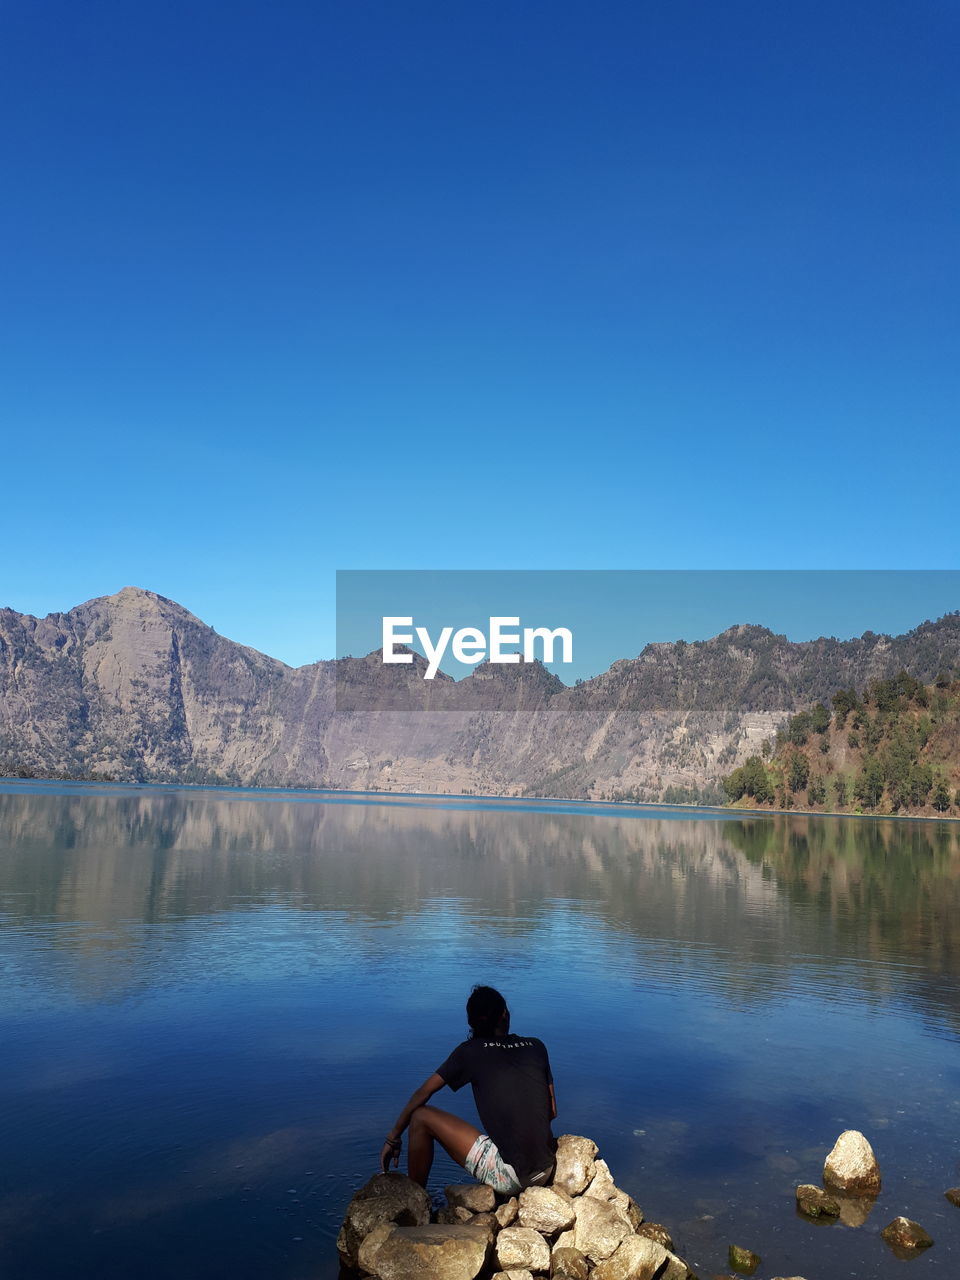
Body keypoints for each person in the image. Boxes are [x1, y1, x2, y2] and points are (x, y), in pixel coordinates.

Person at [380, 985, 557, 1195]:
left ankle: (415, 1201)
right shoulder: (536, 1046)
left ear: (472, 1022)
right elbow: (551, 1112)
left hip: (513, 1177)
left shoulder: (469, 1052)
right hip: (547, 1167)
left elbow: (423, 1093)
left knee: (420, 1116)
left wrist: (394, 1136)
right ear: (504, 1014)